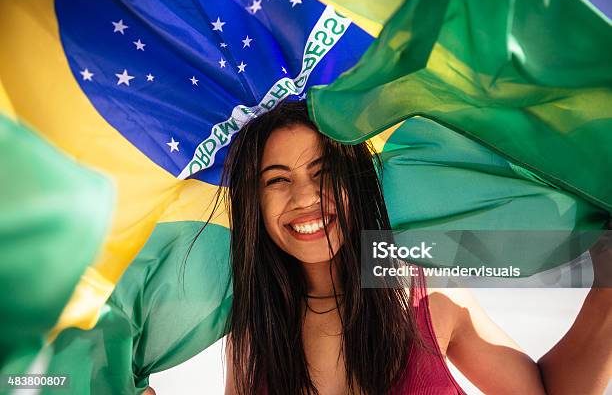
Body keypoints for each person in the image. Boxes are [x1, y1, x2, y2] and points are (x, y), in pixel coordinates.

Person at [149, 101, 612, 395]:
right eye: (277, 181)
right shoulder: (254, 330)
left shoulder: (428, 293)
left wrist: (607, 290)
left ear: (357, 183)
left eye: (324, 171)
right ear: (255, 206)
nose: (306, 197)